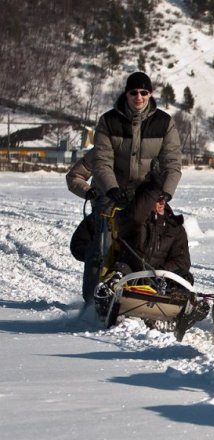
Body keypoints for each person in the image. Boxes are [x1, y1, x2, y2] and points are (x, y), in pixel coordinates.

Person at [92, 71, 182, 211]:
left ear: (150, 94)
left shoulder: (164, 122)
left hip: (146, 193)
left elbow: (172, 163)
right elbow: (102, 161)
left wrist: (166, 193)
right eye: (133, 92)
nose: (138, 97)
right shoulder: (108, 121)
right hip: (111, 193)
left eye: (143, 92)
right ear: (126, 94)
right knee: (102, 229)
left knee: (168, 229)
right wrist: (111, 188)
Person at [118, 182, 193, 285]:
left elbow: (182, 260)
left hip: (161, 280)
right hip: (131, 276)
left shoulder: (175, 227)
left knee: (185, 277)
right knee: (118, 271)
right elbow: (136, 217)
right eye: (157, 200)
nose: (162, 203)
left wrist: (160, 272)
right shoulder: (131, 222)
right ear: (145, 203)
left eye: (164, 199)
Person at [65, 147, 111, 303]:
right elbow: (74, 176)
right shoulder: (100, 150)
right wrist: (88, 191)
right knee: (96, 252)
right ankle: (92, 303)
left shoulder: (146, 146)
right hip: (103, 213)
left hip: (138, 211)